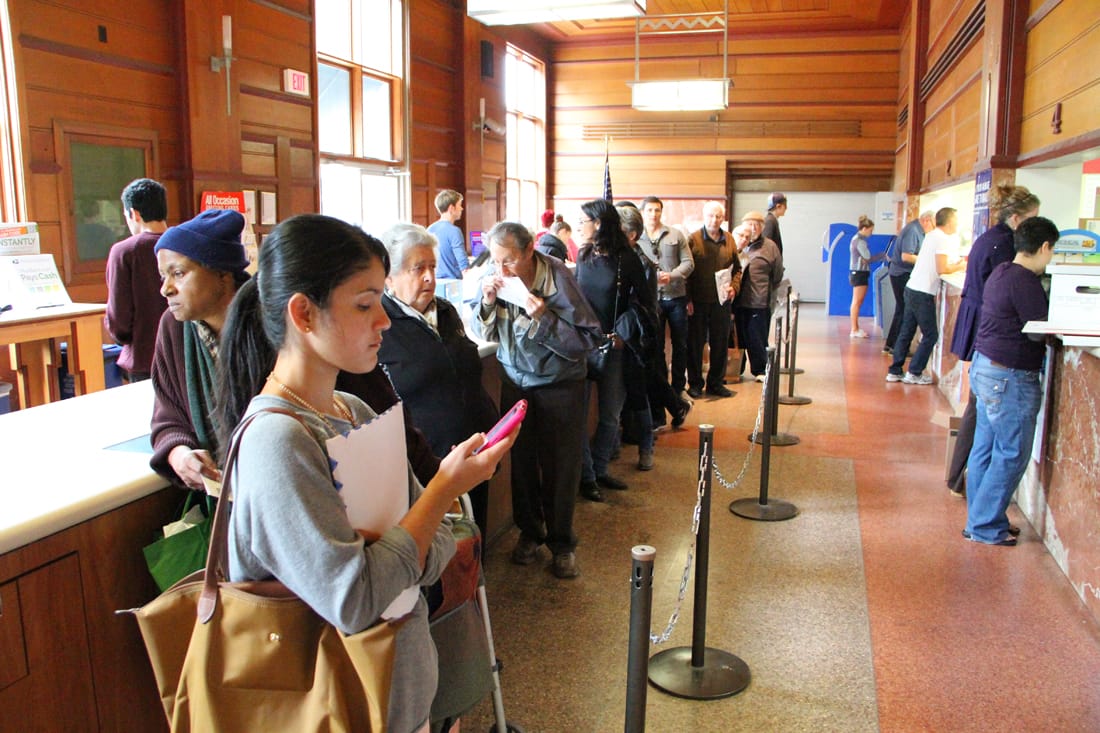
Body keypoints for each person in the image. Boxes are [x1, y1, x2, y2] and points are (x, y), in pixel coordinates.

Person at [214, 214, 514, 733]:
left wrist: (407, 542)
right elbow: (355, 600)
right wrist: (443, 490)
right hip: (336, 704)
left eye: (380, 300)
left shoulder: (352, 408)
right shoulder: (277, 441)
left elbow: (437, 544)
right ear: (304, 314)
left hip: (400, 691)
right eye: (363, 304)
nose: (384, 321)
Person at [470, 221, 603, 579]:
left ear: (530, 251)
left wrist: (541, 315)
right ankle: (530, 533)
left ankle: (562, 544)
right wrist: (485, 299)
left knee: (561, 467)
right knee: (522, 464)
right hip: (515, 382)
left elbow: (586, 341)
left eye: (509, 261)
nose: (501, 270)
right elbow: (480, 328)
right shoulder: (495, 271)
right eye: (495, 261)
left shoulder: (557, 278)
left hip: (560, 386)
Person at [371, 222, 499, 534]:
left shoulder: (445, 311)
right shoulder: (380, 326)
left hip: (473, 449)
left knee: (473, 536)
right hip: (428, 463)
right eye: (418, 269)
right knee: (439, 546)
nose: (430, 277)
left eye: (432, 266)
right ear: (389, 278)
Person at [962, 216, 1057, 546]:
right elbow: (1038, 331)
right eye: (1052, 251)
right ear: (1044, 247)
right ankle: (985, 525)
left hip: (985, 367)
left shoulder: (1001, 272)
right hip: (1009, 376)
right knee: (1012, 452)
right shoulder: (1026, 281)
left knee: (984, 450)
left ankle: (980, 518)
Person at [946, 185, 1041, 496]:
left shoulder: (993, 237)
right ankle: (961, 478)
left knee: (979, 405)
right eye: (1031, 218)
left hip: (982, 322)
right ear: (1015, 218)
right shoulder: (1003, 243)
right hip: (988, 328)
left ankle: (962, 478)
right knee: (978, 408)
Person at [149, 208, 250, 491]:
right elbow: (168, 417)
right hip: (219, 498)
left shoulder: (274, 323)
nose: (166, 289)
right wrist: (179, 453)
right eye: (163, 277)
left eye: (178, 274)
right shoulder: (174, 328)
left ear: (222, 273)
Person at [575, 199, 654, 494]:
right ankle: (587, 477)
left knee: (610, 414)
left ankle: (600, 468)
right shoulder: (583, 256)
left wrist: (623, 333)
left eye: (583, 221)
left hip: (613, 346)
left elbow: (645, 304)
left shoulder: (627, 259)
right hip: (583, 345)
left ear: (598, 224)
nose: (578, 226)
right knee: (579, 417)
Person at [886, 207, 966, 385]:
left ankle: (895, 370)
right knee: (931, 335)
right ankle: (914, 372)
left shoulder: (931, 235)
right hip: (922, 292)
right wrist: (961, 266)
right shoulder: (942, 239)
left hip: (912, 287)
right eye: (956, 221)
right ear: (950, 221)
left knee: (906, 331)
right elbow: (942, 268)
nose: (958, 224)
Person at [105, 178, 169, 381]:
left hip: (144, 357)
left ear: (134, 213)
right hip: (186, 356)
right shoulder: (185, 242)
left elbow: (119, 317)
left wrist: (121, 338)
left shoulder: (125, 251)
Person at [638, 196, 694, 398]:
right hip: (651, 301)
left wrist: (672, 276)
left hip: (676, 297)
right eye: (650, 210)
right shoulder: (636, 238)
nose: (654, 214)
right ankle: (662, 389)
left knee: (680, 343)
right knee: (657, 345)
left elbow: (689, 263)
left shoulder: (675, 235)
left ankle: (679, 387)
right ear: (642, 213)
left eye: (657, 210)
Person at [685, 201, 742, 398]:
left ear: (723, 218)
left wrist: (734, 288)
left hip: (721, 302)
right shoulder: (693, 239)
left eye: (718, 216)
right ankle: (694, 384)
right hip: (698, 302)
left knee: (719, 344)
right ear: (704, 216)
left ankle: (716, 383)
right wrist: (688, 299)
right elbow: (687, 272)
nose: (714, 220)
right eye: (711, 216)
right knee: (695, 344)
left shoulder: (729, 239)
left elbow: (737, 268)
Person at [734, 210, 784, 382]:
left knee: (757, 337)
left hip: (759, 301)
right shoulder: (735, 242)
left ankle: (760, 370)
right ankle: (735, 369)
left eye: (757, 225)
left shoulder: (770, 247)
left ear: (762, 228)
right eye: (750, 224)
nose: (753, 228)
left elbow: (777, 275)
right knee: (736, 337)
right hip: (736, 301)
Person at [884, 211, 934, 354]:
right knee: (905, 310)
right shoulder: (913, 230)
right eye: (933, 224)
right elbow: (906, 256)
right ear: (926, 220)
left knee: (902, 310)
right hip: (901, 274)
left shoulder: (916, 229)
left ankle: (892, 345)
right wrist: (927, 260)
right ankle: (897, 347)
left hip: (901, 273)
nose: (933, 229)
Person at [848, 215, 887, 339]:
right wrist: (882, 255)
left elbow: (866, 258)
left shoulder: (856, 239)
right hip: (859, 273)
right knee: (857, 302)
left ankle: (855, 328)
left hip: (857, 272)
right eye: (870, 230)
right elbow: (868, 257)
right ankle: (854, 329)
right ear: (864, 228)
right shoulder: (860, 241)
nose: (871, 233)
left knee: (856, 302)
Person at [429, 189, 468, 279]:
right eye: (460, 205)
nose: (462, 208)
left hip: (435, 281)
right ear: (451, 208)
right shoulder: (454, 231)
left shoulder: (430, 229)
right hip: (452, 284)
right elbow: (463, 264)